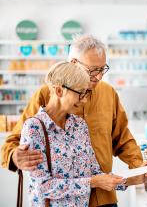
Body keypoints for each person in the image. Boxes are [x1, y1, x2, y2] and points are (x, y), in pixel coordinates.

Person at [1, 35, 147, 206]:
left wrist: (138, 168)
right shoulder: (46, 95)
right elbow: (14, 144)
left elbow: (122, 139)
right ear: (73, 64)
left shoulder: (106, 96)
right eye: (93, 70)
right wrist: (14, 157)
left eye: (103, 69)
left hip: (104, 196)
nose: (99, 76)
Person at [20, 61, 127, 206]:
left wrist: (129, 179)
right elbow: (42, 186)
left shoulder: (79, 125)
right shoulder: (34, 128)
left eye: (86, 93)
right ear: (59, 91)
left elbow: (94, 171)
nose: (84, 100)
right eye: (80, 94)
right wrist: (92, 182)